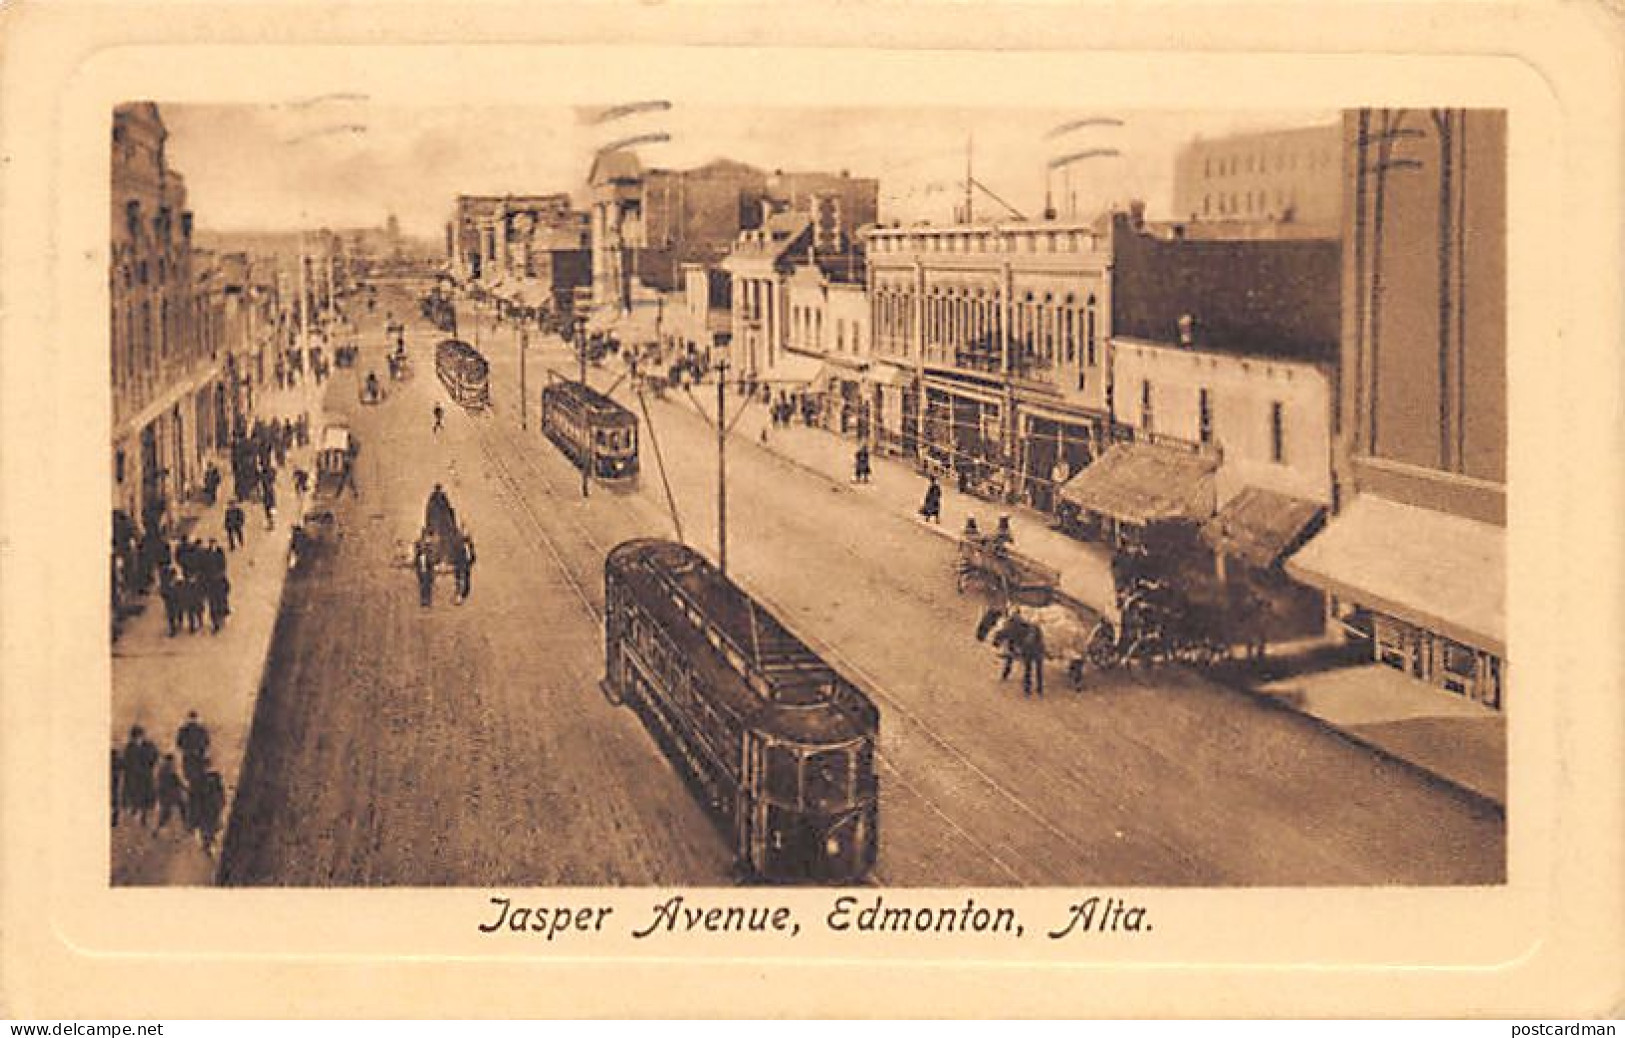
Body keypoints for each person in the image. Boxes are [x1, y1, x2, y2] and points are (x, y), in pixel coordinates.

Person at [176, 711, 210, 792]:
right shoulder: (185, 730)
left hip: (196, 758)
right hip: (192, 758)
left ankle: (195, 794)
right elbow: (179, 743)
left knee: (196, 778)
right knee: (192, 778)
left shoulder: (200, 729)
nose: (192, 720)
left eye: (193, 718)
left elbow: (206, 742)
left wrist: (198, 750)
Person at [155, 754, 186, 831]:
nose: (173, 763)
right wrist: (186, 789)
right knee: (181, 809)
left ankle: (157, 830)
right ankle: (157, 830)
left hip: (168, 795)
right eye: (172, 761)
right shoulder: (168, 770)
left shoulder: (162, 770)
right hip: (171, 795)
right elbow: (177, 781)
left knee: (168, 813)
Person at [1022, 617, 1047, 698]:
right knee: (1032, 671)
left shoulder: (1033, 634)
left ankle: (1034, 689)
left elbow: (1029, 640)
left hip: (1035, 653)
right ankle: (1032, 689)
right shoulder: (1035, 633)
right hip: (1034, 653)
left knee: (1033, 671)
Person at [452, 529, 476, 603]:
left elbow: (471, 552)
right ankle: (459, 593)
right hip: (463, 563)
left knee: (462, 578)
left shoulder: (464, 545)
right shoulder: (462, 545)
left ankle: (460, 594)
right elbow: (471, 552)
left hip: (463, 562)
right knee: (462, 578)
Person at [413, 536, 436, 607]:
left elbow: (431, 566)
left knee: (428, 587)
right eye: (421, 548)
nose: (422, 549)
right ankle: (423, 601)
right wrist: (418, 573)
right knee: (422, 587)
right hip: (421, 574)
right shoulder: (418, 557)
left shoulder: (428, 556)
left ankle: (428, 601)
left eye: (423, 548)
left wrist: (432, 574)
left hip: (427, 573)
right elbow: (416, 566)